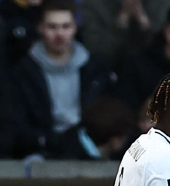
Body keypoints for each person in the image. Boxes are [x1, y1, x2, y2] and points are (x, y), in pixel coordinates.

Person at [10, 0, 114, 158]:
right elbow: (17, 125)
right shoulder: (23, 71)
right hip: (39, 151)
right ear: (40, 28)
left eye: (66, 26)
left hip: (88, 147)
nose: (59, 34)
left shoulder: (94, 69)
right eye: (52, 27)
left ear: (75, 28)